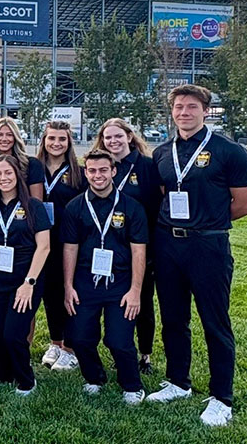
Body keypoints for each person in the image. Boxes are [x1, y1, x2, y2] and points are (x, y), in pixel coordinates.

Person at [146, 85, 247, 427]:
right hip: (168, 245)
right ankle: (178, 381)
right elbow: (164, 195)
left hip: (208, 246)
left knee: (215, 321)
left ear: (205, 111)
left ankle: (221, 397)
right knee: (174, 319)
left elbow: (244, 204)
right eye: (178, 107)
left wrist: (205, 223)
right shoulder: (163, 153)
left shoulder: (229, 151)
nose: (183, 112)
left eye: (191, 107)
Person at [62, 149, 149, 405]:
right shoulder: (75, 206)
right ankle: (94, 378)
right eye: (92, 170)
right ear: (85, 172)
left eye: (103, 170)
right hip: (85, 281)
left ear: (113, 171)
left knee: (119, 340)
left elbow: (138, 250)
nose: (97, 175)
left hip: (120, 282)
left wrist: (135, 290)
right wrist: (68, 286)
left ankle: (132, 385)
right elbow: (70, 248)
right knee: (78, 337)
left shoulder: (131, 207)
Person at [0, 154, 51, 396]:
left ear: (17, 175)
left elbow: (44, 246)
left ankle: (26, 379)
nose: (3, 178)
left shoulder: (34, 206)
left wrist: (29, 282)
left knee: (14, 334)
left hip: (25, 279)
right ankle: (4, 373)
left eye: (8, 173)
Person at [92, 117, 163, 373]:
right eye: (108, 137)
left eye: (118, 136)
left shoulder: (145, 166)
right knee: (109, 299)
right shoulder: (102, 166)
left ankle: (145, 354)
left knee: (141, 300)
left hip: (139, 248)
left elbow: (156, 208)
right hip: (106, 249)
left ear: (130, 137)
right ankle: (117, 346)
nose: (113, 141)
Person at [34, 120, 86, 372]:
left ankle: (71, 348)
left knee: (70, 294)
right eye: (51, 138)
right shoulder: (33, 169)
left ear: (69, 142)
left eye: (61, 139)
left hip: (70, 243)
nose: (56, 143)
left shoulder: (79, 172)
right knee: (49, 294)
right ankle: (56, 343)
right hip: (41, 242)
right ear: (43, 141)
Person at [0, 117, 45, 200]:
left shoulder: (32, 164)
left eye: (9, 135)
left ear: (16, 137)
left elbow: (37, 202)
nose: (4, 139)